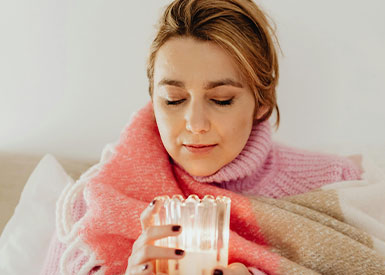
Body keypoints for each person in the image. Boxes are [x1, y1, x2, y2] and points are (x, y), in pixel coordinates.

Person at [40, 0, 364, 274]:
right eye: (174, 100)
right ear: (153, 98)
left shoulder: (334, 183)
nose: (195, 123)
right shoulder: (96, 199)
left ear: (262, 102)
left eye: (221, 99)